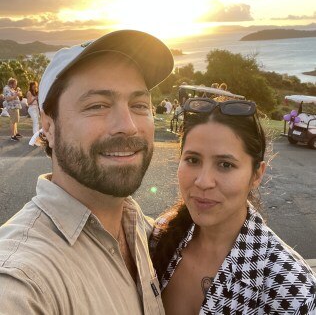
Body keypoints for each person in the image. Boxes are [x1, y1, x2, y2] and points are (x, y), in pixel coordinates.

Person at [0, 29, 173, 314]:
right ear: (49, 126)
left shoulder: (141, 228)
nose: (128, 125)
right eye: (97, 105)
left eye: (139, 105)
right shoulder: (21, 283)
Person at [150, 97, 316, 314]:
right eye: (192, 160)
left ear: (257, 174)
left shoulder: (293, 290)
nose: (203, 181)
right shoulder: (160, 235)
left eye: (225, 164)